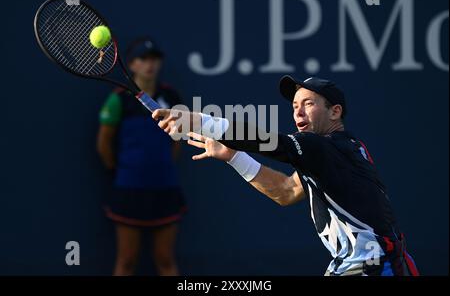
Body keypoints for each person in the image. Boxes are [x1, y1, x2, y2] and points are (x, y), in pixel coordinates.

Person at [151, 76, 420, 276]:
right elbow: (286, 191)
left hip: (374, 268)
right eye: (294, 106)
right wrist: (234, 156)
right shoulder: (335, 154)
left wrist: (199, 121)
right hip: (360, 266)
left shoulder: (327, 146)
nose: (298, 112)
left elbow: (273, 143)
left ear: (335, 111)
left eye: (308, 103)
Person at [97, 37, 186, 276]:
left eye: (154, 59)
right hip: (128, 189)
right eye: (143, 59)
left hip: (165, 188)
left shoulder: (172, 96)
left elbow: (177, 141)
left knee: (165, 258)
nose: (150, 64)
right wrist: (124, 170)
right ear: (132, 65)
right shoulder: (118, 99)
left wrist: (161, 165)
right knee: (126, 260)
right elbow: (104, 144)